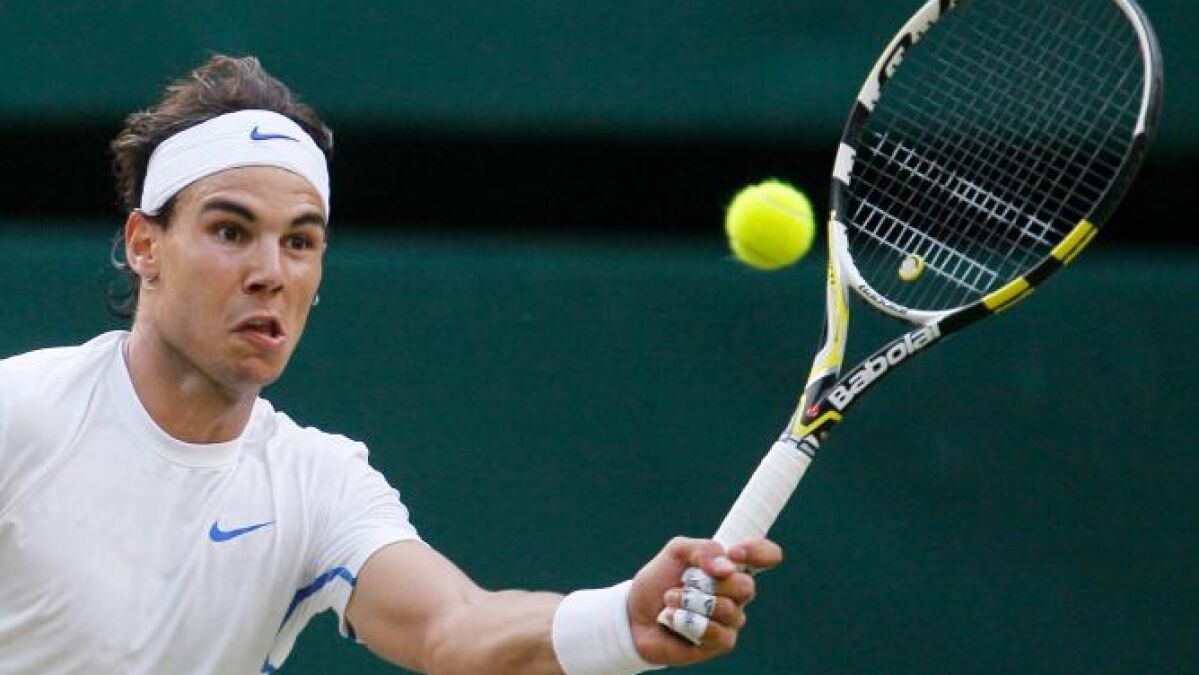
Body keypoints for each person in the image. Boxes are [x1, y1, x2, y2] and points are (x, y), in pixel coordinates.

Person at [0, 55, 782, 674]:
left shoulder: (318, 484)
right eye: (231, 231)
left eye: (299, 241)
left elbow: (454, 627)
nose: (270, 272)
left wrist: (620, 620)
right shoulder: (20, 415)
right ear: (145, 245)